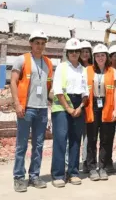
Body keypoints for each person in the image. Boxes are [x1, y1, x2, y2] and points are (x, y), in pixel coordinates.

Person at [10, 30, 53, 192]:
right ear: (31, 43)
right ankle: (19, 178)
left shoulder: (48, 63)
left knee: (39, 145)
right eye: (37, 43)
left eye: (42, 43)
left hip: (42, 109)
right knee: (21, 145)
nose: (40, 46)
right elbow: (13, 82)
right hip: (26, 108)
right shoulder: (22, 60)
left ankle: (34, 175)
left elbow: (48, 87)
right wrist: (17, 104)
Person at [50, 38, 89, 187]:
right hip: (62, 106)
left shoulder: (83, 70)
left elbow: (86, 92)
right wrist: (68, 108)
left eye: (76, 51)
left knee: (75, 140)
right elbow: (58, 89)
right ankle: (58, 174)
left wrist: (80, 107)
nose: (74, 53)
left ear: (79, 53)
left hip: (78, 104)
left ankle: (73, 172)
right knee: (61, 139)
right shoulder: (61, 67)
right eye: (71, 51)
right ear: (67, 53)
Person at [85, 44, 116, 181]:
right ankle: (92, 167)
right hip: (92, 105)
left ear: (107, 57)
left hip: (108, 105)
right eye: (97, 55)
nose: (100, 57)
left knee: (106, 138)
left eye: (102, 55)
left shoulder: (112, 71)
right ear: (94, 57)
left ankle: (103, 166)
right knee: (92, 138)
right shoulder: (88, 70)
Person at [79, 40, 93, 174]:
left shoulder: (92, 68)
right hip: (76, 105)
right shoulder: (74, 66)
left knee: (88, 135)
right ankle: (70, 162)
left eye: (87, 51)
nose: (84, 54)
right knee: (75, 135)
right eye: (82, 51)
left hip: (89, 106)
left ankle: (86, 161)